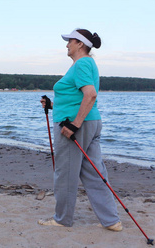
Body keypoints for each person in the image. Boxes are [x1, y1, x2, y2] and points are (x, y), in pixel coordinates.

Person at [38, 28, 122, 231]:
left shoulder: (82, 63)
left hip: (76, 126)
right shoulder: (84, 64)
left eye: (70, 41)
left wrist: (74, 124)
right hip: (89, 123)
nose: (67, 44)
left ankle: (62, 219)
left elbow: (90, 95)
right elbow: (76, 96)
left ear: (80, 44)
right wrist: (52, 106)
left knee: (65, 173)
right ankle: (112, 221)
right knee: (94, 173)